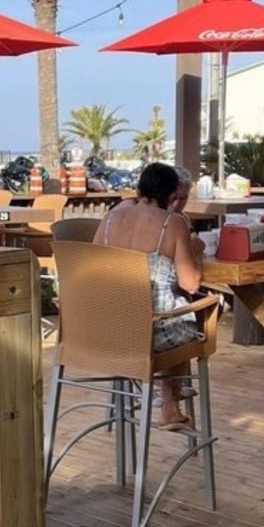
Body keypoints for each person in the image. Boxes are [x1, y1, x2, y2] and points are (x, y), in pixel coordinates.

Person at [94, 162, 202, 430]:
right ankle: (169, 406)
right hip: (149, 334)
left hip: (101, 331)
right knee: (183, 317)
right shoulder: (172, 222)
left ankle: (152, 395)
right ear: (172, 196)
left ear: (139, 188)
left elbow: (91, 268)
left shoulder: (109, 220)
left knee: (171, 314)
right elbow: (190, 282)